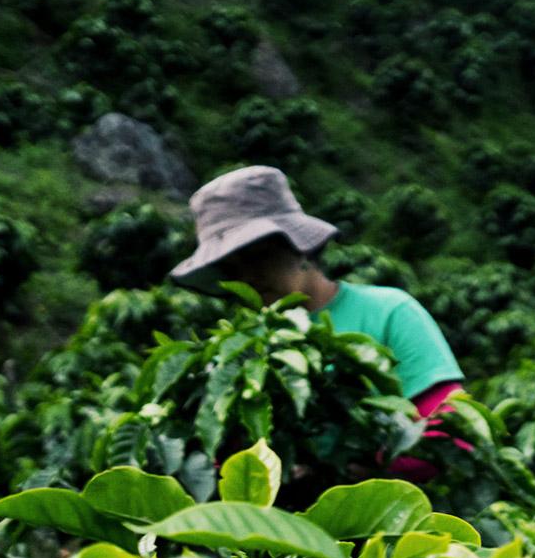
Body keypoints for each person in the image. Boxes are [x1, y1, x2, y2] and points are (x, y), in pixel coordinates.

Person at [168, 165, 468, 479]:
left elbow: (450, 429)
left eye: (258, 255)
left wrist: (357, 469)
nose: (249, 278)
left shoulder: (388, 312)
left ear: (298, 245)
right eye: (230, 269)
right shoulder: (238, 352)